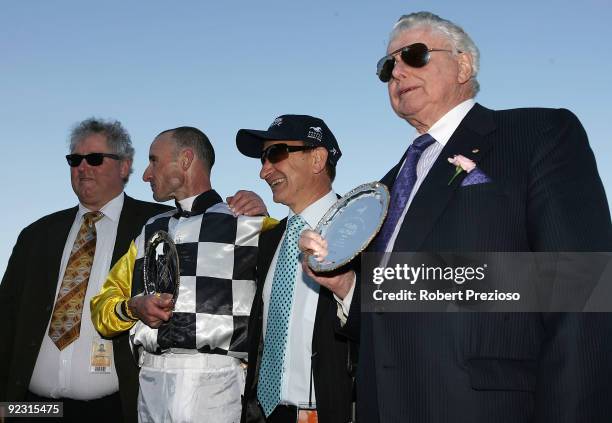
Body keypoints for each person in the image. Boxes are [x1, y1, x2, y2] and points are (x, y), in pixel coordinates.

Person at [300, 11, 612, 423]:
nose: (397, 71)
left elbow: (582, 290)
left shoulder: (536, 134)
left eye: (413, 54)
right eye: (387, 66)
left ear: (464, 65)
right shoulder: (387, 186)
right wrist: (345, 286)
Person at [91, 126, 273, 423]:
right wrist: (133, 307)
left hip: (217, 383)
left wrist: (264, 218)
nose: (146, 175)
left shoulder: (250, 224)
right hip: (149, 380)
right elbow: (102, 307)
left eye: (154, 161)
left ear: (186, 160)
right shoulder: (149, 231)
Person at [0, 118, 170, 422]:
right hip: (33, 409)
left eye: (94, 158)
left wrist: (247, 209)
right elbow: (6, 319)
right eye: (75, 160)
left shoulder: (159, 224)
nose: (82, 167)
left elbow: (211, 228)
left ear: (124, 166)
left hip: (115, 410)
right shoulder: (36, 235)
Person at [236, 115, 353, 423]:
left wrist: (347, 287)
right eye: (263, 159)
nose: (263, 171)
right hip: (264, 414)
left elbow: (388, 326)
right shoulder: (267, 240)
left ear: (317, 159)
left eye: (275, 154)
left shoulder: (365, 233)